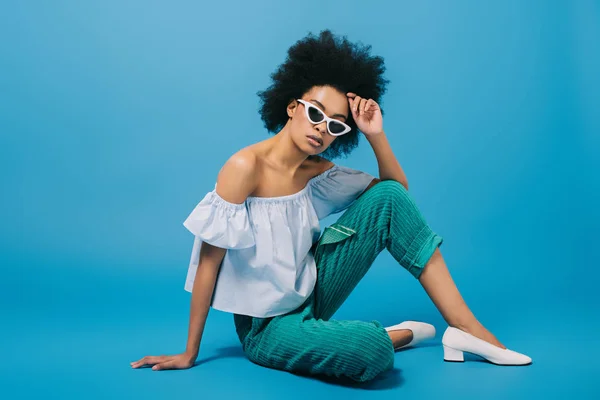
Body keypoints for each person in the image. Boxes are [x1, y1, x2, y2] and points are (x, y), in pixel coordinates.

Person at [131, 29, 532, 382]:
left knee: (387, 196)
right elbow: (208, 262)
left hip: (313, 289)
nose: (323, 128)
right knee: (371, 354)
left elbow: (396, 197)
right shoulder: (244, 167)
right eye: (315, 113)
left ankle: (464, 327)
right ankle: (394, 335)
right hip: (266, 327)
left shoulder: (317, 171)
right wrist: (189, 352)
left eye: (336, 124)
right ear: (292, 106)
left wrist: (375, 135)